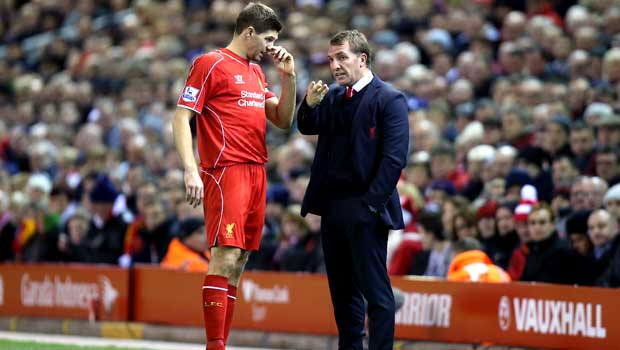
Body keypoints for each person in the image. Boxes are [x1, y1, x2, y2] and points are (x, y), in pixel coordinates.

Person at [171, 3, 296, 350]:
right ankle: (215, 346)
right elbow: (182, 116)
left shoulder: (257, 73)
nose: (272, 47)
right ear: (249, 32)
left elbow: (283, 119)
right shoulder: (210, 63)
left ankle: (220, 342)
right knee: (225, 256)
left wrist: (289, 77)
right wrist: (189, 168)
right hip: (226, 171)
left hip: (257, 171)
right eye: (268, 39)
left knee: (239, 261)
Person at [297, 30, 409, 350]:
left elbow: (394, 160)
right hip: (332, 209)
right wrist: (308, 103)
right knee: (343, 297)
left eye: (341, 57)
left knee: (377, 295)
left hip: (365, 209)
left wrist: (370, 206)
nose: (335, 65)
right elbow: (307, 125)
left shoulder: (389, 98)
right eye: (331, 59)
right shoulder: (332, 96)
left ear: (362, 59)